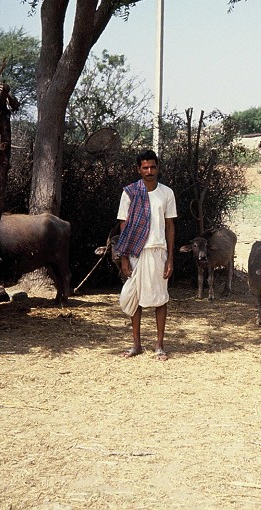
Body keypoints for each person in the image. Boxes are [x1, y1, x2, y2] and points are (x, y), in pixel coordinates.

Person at [116, 149, 177, 361]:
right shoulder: (130, 193)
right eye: (145, 167)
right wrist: (124, 256)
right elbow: (123, 225)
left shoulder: (166, 193)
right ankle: (136, 344)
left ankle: (159, 345)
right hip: (135, 251)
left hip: (158, 250)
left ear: (158, 168)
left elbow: (170, 226)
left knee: (161, 299)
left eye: (152, 167)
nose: (149, 171)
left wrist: (170, 257)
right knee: (135, 297)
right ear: (139, 169)